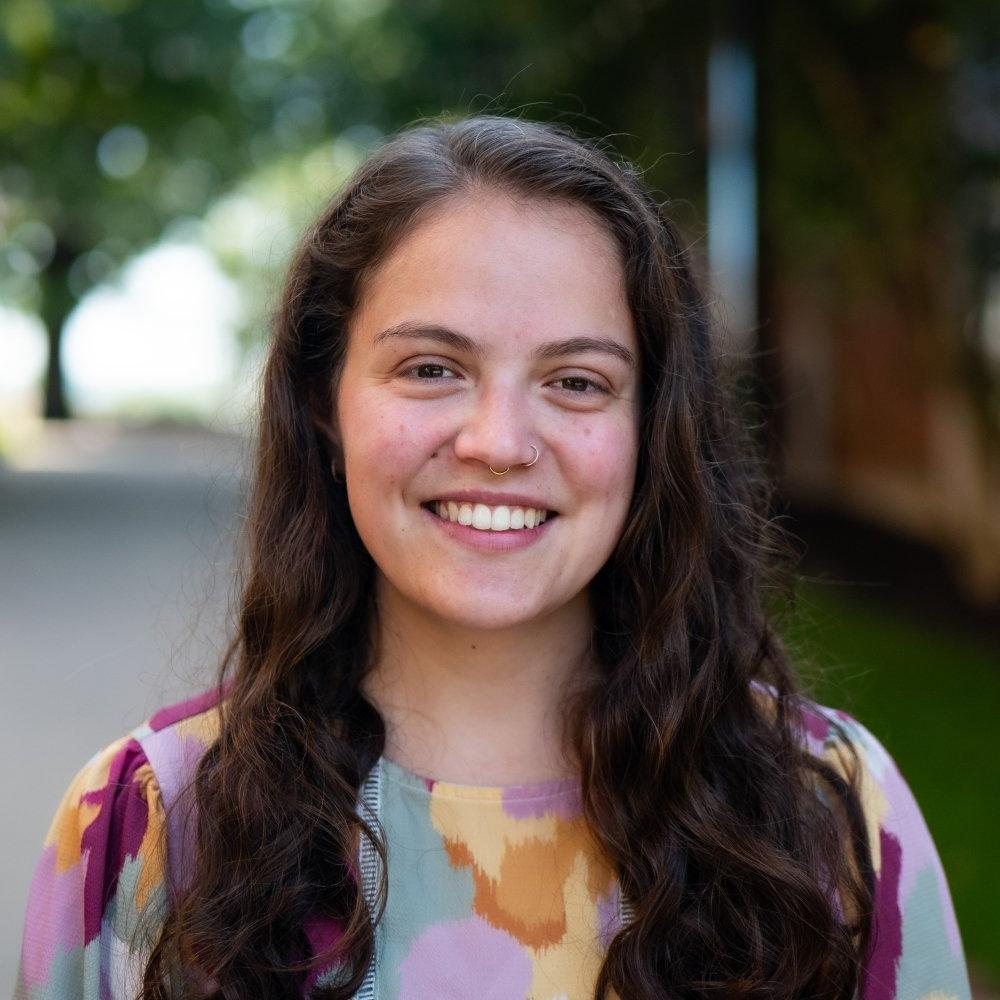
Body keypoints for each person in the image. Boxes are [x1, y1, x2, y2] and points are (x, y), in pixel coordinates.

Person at [14, 114, 972, 1000]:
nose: (500, 440)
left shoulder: (830, 815)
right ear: (323, 400)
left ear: (653, 429)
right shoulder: (149, 823)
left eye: (577, 381)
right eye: (432, 368)